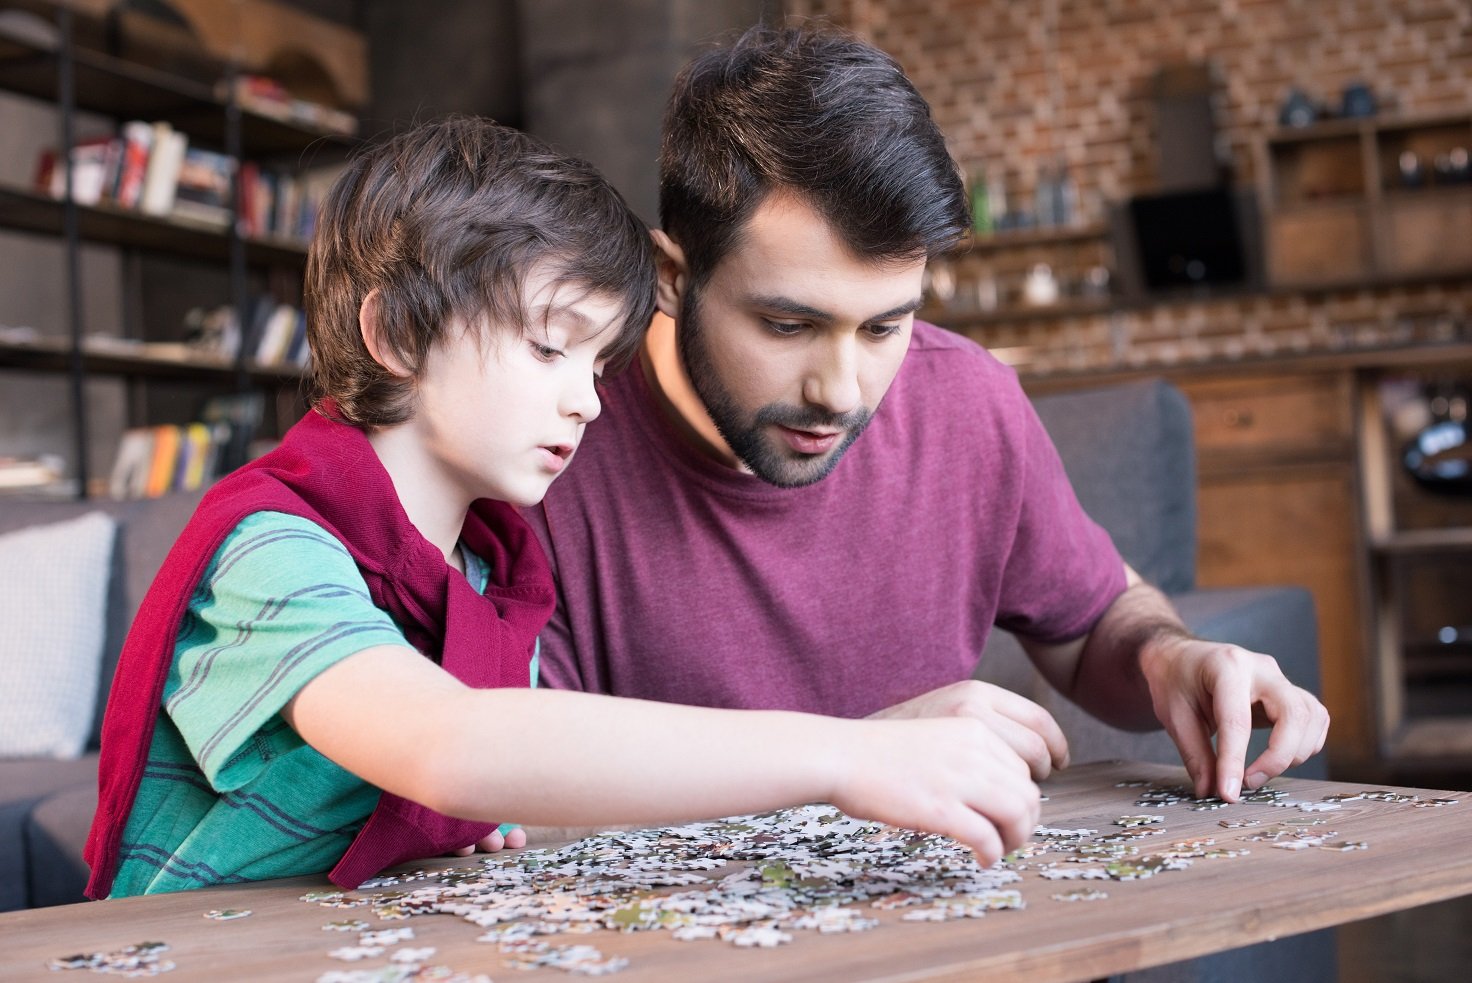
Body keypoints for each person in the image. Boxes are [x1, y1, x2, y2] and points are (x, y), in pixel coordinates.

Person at [83, 116, 1045, 899]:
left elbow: (546, 793)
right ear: (398, 334)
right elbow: (451, 746)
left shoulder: (490, 572)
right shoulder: (271, 553)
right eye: (550, 349)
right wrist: (843, 756)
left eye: (598, 363)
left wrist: (875, 743)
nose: (587, 399)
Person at [524, 23, 1330, 827]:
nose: (840, 391)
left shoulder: (967, 401)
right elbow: (515, 796)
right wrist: (856, 755)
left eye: (883, 327)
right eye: (787, 325)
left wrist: (1168, 655)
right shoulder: (545, 444)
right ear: (672, 276)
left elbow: (1090, 628)